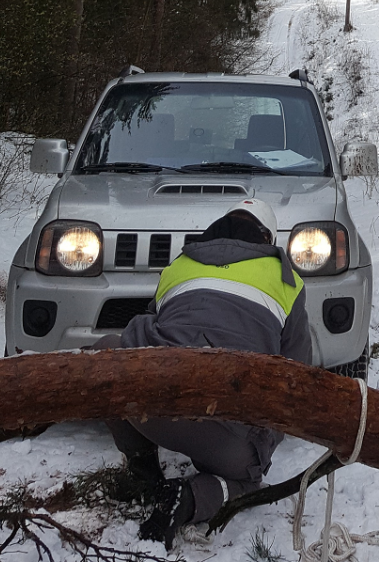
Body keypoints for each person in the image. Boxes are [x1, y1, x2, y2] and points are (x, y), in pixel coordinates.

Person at [98, 199, 311, 547]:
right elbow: (295, 378)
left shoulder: (179, 265)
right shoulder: (287, 280)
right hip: (222, 435)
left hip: (149, 409)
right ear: (268, 239)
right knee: (248, 479)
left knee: (107, 355)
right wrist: (263, 444)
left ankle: (142, 468)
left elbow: (151, 328)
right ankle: (191, 499)